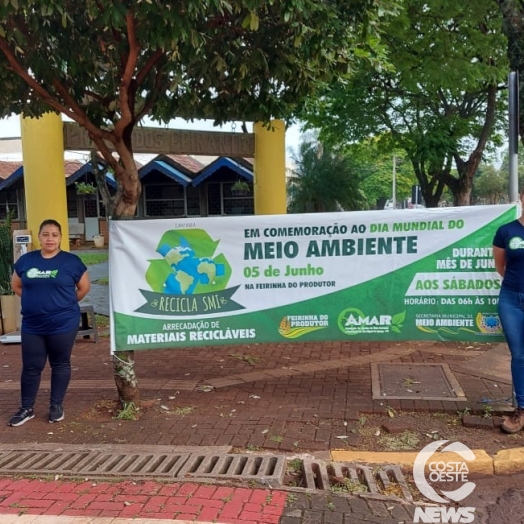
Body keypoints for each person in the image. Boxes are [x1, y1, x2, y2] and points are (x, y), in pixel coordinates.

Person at [8, 219, 90, 426]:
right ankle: (26, 408)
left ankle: (56, 406)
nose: (50, 239)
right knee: (31, 367)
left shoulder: (72, 262)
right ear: (39, 237)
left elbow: (83, 289)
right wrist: (34, 302)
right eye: (46, 234)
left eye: (54, 234)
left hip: (63, 323)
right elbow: (17, 285)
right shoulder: (27, 261)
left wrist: (64, 304)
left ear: (61, 237)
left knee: (60, 364)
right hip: (33, 324)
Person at [493, 194, 524, 433]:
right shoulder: (506, 231)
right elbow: (500, 267)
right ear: (522, 199)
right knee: (519, 355)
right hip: (511, 299)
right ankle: (521, 410)